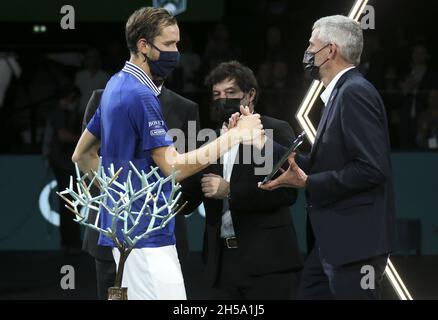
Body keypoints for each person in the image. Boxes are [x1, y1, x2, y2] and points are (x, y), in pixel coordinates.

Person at [72, 7, 263, 300]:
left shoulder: (115, 85)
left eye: (178, 43)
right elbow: (173, 168)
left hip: (125, 234)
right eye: (169, 44)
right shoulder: (141, 95)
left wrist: (120, 200)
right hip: (148, 241)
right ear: (143, 46)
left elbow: (82, 156)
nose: (177, 51)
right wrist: (235, 136)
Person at [260, 15, 395, 300]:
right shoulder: (342, 93)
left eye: (312, 45)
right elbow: (321, 165)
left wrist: (309, 182)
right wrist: (259, 140)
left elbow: (372, 169)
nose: (307, 53)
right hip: (332, 245)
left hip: (355, 247)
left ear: (330, 50)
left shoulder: (354, 92)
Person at [180, 61, 303, 299]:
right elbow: (189, 194)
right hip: (221, 264)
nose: (222, 100)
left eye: (230, 93)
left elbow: (288, 191)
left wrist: (229, 191)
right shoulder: (210, 141)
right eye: (216, 94)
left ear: (250, 94)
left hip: (268, 263)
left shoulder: (274, 130)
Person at [81, 86, 200, 300]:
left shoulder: (185, 108)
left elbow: (189, 177)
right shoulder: (104, 97)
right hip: (113, 231)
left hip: (161, 235)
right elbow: (87, 159)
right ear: (142, 49)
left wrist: (166, 203)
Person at [46, 85, 83, 254]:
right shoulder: (59, 113)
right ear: (69, 97)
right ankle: (71, 243)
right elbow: (62, 135)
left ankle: (70, 242)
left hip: (64, 163)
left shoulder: (65, 113)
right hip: (62, 164)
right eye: (74, 99)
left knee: (70, 203)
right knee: (69, 203)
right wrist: (83, 140)